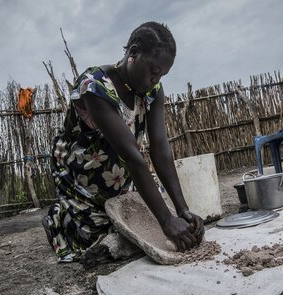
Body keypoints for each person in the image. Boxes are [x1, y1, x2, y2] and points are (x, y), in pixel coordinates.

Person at [42, 21, 205, 262]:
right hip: (82, 174)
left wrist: (182, 210)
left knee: (141, 225)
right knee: (91, 238)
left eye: (161, 74)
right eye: (153, 70)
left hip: (121, 174)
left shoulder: (152, 91)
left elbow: (160, 148)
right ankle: (57, 218)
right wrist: (166, 220)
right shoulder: (94, 86)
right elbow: (132, 156)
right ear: (133, 52)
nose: (155, 78)